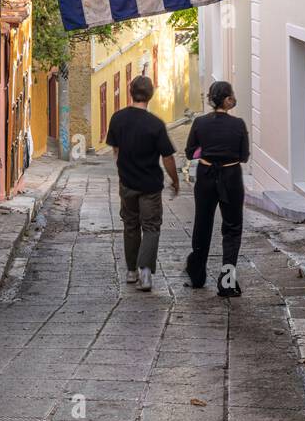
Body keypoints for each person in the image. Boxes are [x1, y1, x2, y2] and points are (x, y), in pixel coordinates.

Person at [106, 74, 179, 292]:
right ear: (150, 95)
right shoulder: (155, 124)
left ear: (131, 92)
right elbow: (167, 157)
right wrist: (175, 180)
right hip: (150, 186)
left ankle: (131, 271)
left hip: (127, 183)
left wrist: (122, 169)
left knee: (130, 225)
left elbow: (116, 149)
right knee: (151, 227)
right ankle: (145, 273)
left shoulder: (117, 119)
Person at [184, 81, 249, 296]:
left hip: (206, 175)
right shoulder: (238, 124)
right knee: (232, 228)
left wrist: (208, 151)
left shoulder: (199, 123)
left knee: (202, 224)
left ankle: (197, 275)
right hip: (231, 176)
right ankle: (227, 282)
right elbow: (243, 156)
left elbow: (189, 151)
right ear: (228, 99)